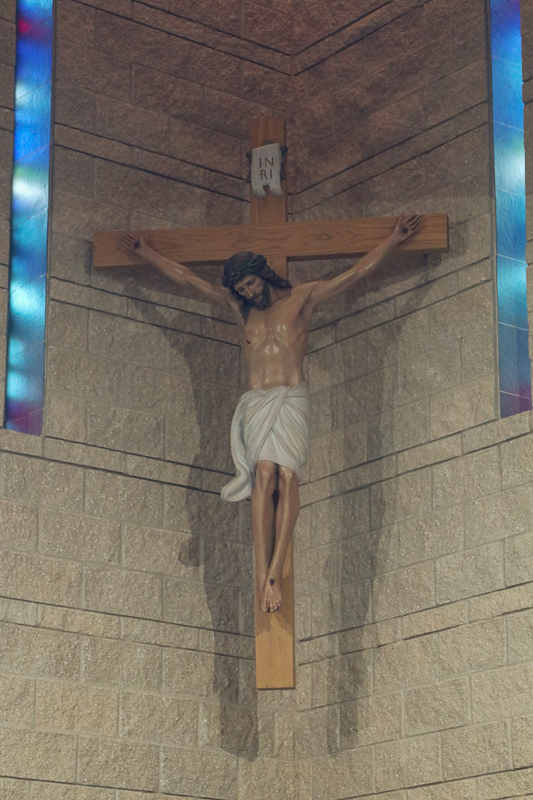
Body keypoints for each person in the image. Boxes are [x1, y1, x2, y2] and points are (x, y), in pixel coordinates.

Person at [122, 213, 421, 613]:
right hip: (257, 403)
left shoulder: (302, 298)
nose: (248, 291)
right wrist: (145, 253)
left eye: (251, 282)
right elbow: (189, 280)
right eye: (242, 288)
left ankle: (275, 572)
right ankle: (262, 572)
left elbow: (355, 274)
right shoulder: (240, 309)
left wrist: (394, 240)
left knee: (288, 475)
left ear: (263, 274)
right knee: (264, 473)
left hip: (291, 399)